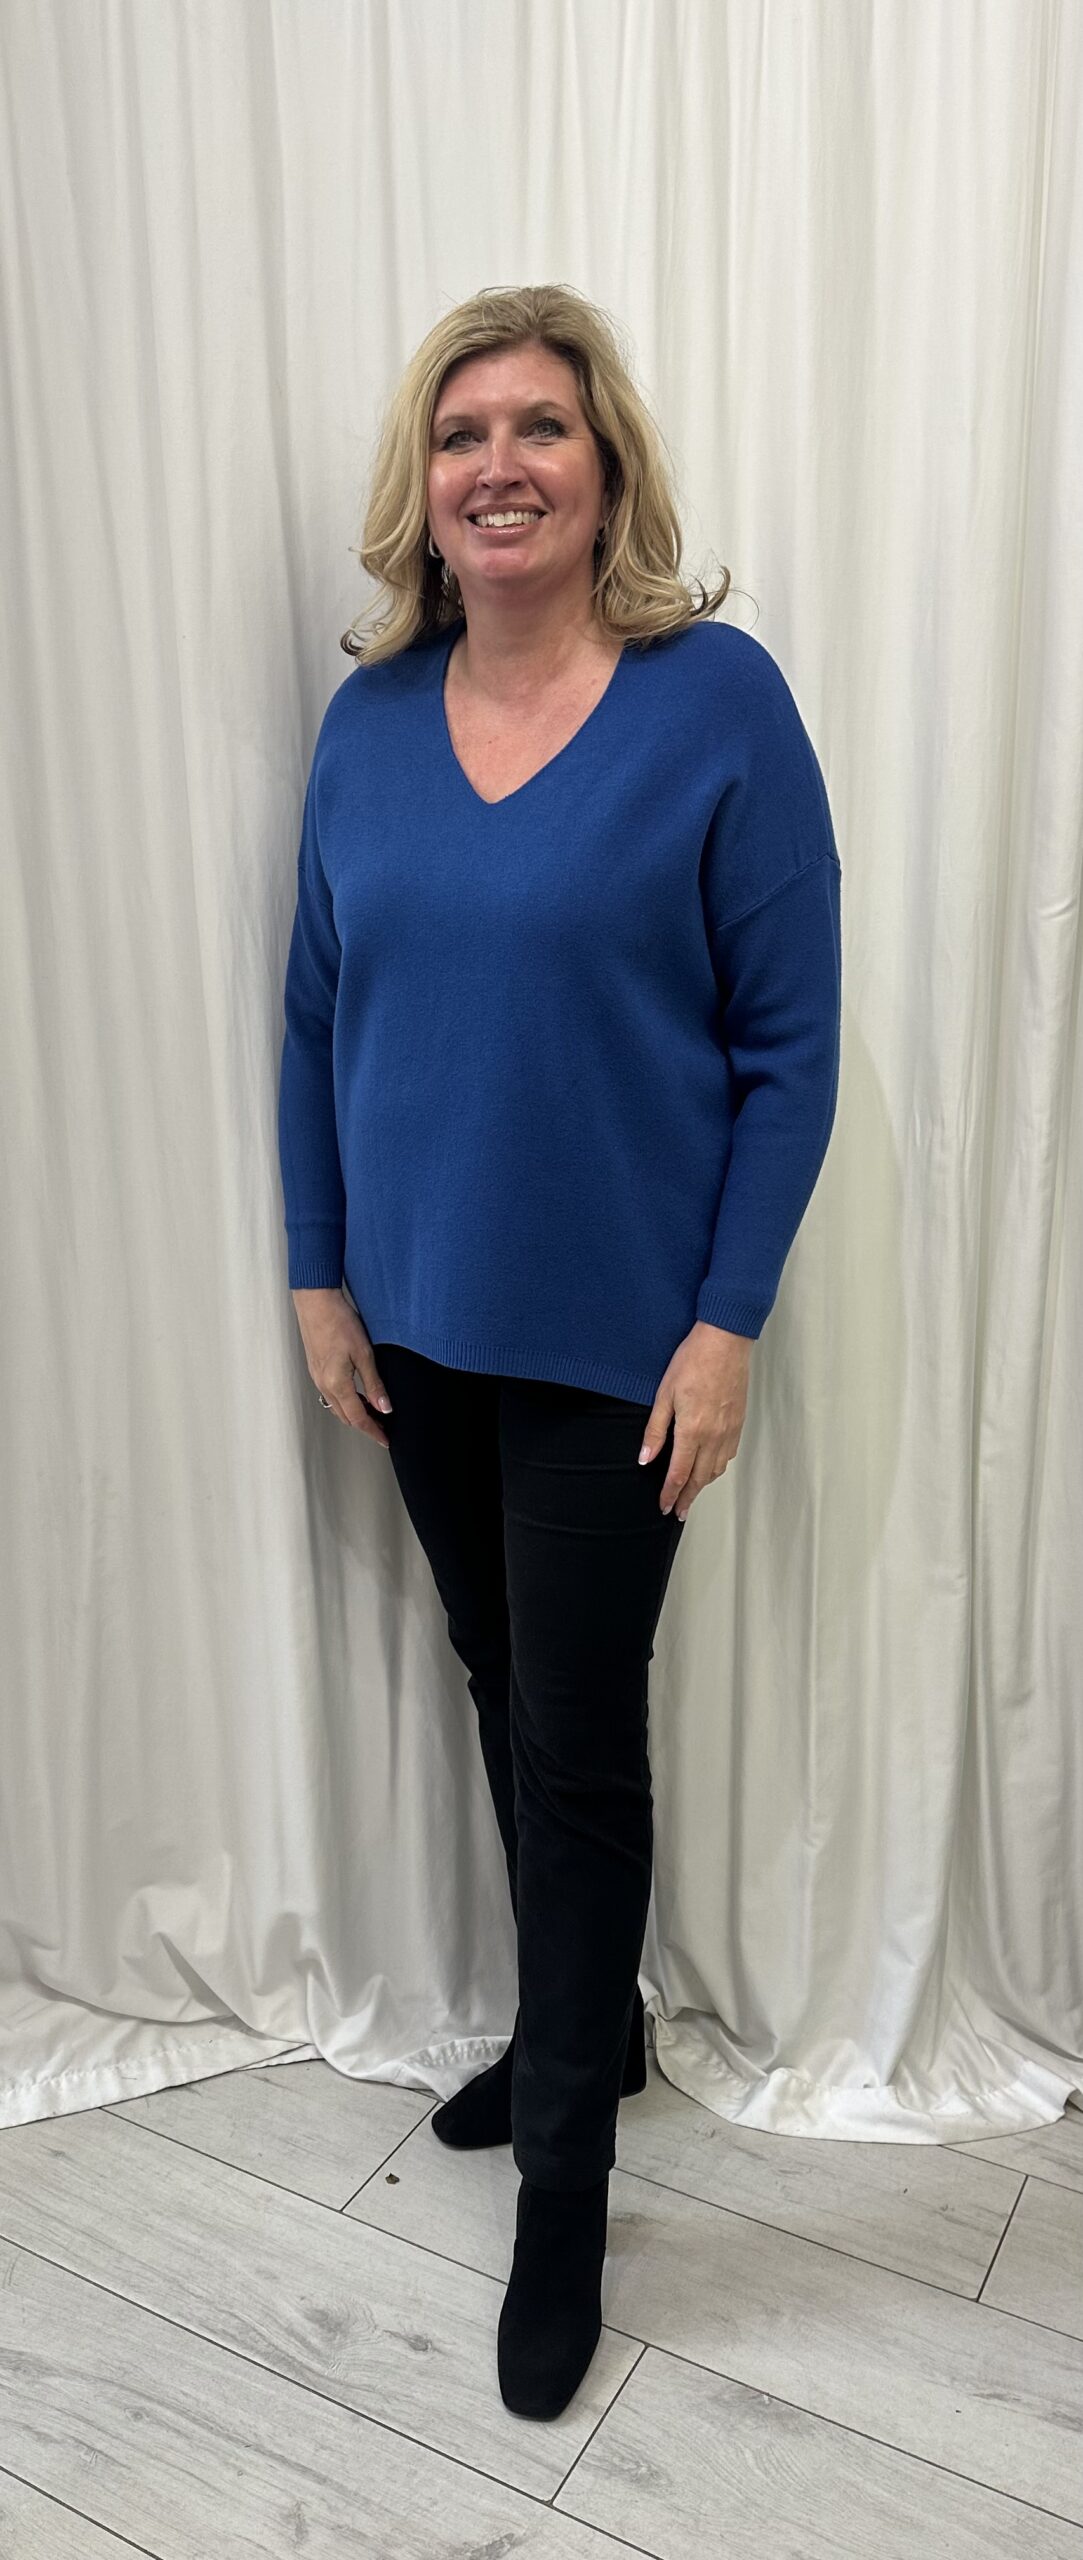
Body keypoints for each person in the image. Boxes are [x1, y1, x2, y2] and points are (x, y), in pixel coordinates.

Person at [276, 284, 842, 2422]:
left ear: (605, 467)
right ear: (419, 486)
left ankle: (569, 2186)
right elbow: (314, 1015)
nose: (495, 465)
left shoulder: (715, 704)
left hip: (621, 1340)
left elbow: (787, 1045)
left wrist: (727, 1323)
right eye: (459, 434)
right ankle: (568, 2035)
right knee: (498, 1682)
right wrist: (319, 1272)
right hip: (415, 1319)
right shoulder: (367, 721)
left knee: (579, 1736)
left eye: (538, 427)